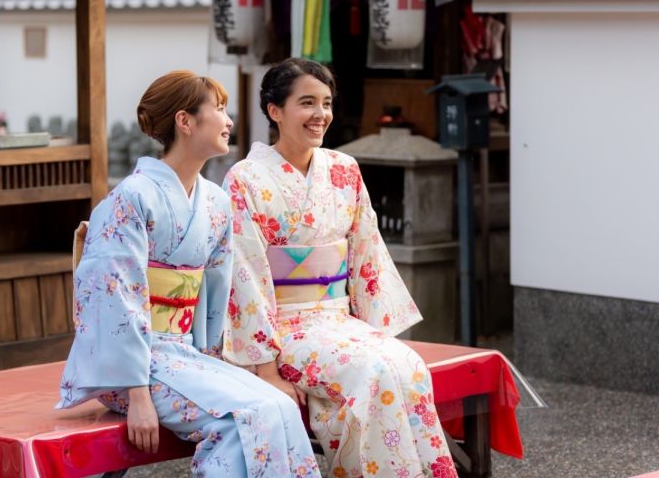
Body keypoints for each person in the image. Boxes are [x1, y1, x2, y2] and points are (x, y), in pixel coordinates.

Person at [57, 70, 320, 477]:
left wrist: (215, 362)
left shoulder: (215, 202)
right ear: (185, 121)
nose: (228, 120)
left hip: (185, 355)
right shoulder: (131, 197)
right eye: (219, 109)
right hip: (130, 367)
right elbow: (114, 298)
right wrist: (137, 394)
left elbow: (215, 293)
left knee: (278, 406)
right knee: (244, 417)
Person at [223, 58, 458, 478]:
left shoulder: (343, 169)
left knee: (407, 364)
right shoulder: (245, 178)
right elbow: (245, 274)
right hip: (284, 328)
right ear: (275, 111)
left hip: (337, 318)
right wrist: (266, 369)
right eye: (307, 103)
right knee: (371, 372)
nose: (321, 114)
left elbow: (366, 250)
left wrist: (373, 332)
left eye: (327, 103)